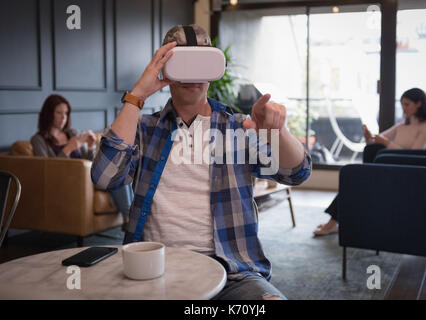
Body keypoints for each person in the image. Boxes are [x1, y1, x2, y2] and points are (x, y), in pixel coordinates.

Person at [91, 24, 312, 300]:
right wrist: (137, 95)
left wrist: (277, 131)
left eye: (201, 63)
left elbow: (298, 173)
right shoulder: (144, 128)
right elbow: (104, 178)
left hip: (232, 273)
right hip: (153, 267)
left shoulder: (238, 127)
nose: (192, 75)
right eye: (183, 63)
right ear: (164, 68)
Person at [314, 87, 426, 236]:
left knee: (356, 181)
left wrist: (385, 143)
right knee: (356, 179)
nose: (404, 108)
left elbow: (414, 155)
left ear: (419, 104)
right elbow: (378, 139)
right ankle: (333, 223)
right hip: (389, 168)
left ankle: (333, 224)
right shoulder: (402, 126)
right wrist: (369, 137)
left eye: (407, 104)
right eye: (402, 104)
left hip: (406, 173)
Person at [31, 94, 133, 230]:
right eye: (59, 113)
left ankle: (130, 219)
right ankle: (131, 220)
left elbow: (91, 161)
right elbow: (47, 169)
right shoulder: (38, 140)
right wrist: (68, 149)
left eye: (66, 113)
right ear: (49, 114)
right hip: (69, 181)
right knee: (112, 174)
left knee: (119, 171)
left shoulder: (72, 133)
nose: (63, 117)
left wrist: (91, 146)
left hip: (87, 177)